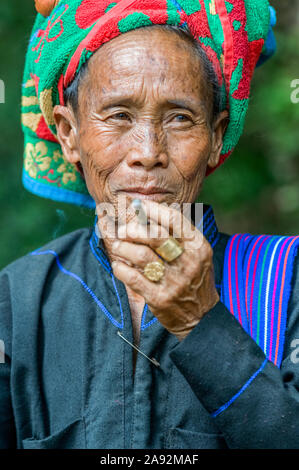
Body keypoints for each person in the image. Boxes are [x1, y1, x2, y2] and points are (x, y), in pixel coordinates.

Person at [0, 0, 298, 449]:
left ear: (216, 138)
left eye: (180, 118)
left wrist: (201, 320)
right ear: (68, 134)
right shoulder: (20, 300)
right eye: (119, 115)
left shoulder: (287, 280)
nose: (148, 151)